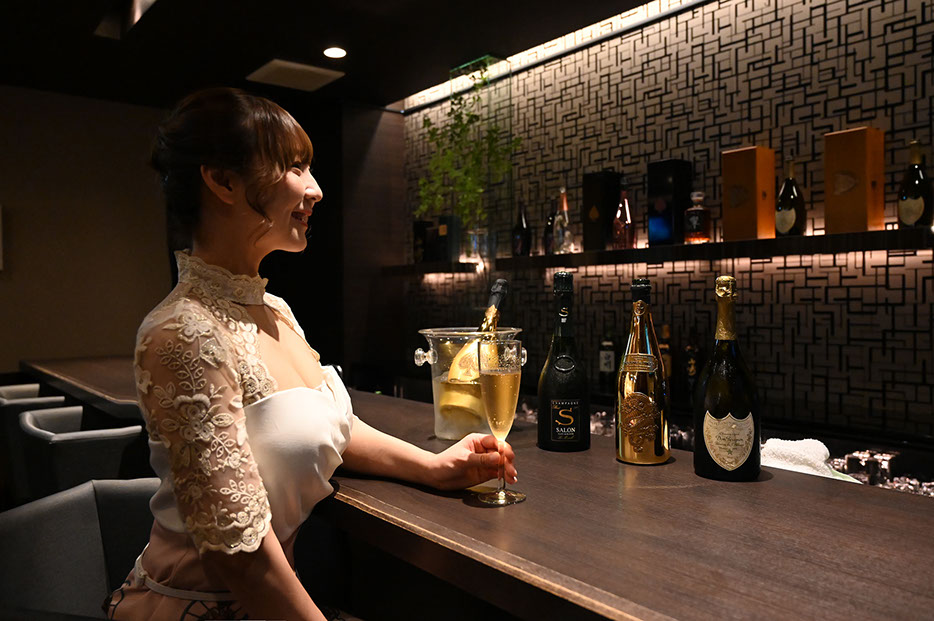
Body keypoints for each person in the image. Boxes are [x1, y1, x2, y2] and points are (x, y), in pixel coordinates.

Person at [104, 87, 518, 621]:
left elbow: (330, 423)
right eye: (294, 167)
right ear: (223, 181)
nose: (316, 189)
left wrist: (433, 467)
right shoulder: (181, 331)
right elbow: (239, 557)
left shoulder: (276, 310)